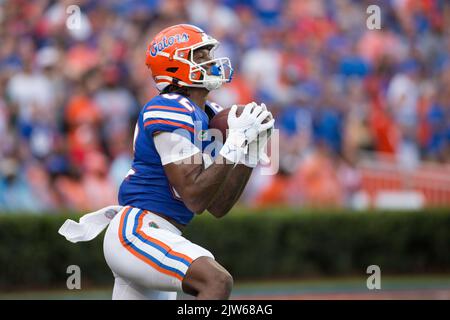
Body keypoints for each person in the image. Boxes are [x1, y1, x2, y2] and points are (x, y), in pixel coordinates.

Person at [59, 24, 274, 300]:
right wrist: (233, 144)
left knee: (214, 282)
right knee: (216, 282)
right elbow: (195, 197)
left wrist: (249, 152)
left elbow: (217, 206)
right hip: (137, 231)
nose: (210, 61)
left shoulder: (209, 114)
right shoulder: (168, 107)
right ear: (174, 66)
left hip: (160, 233)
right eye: (200, 55)